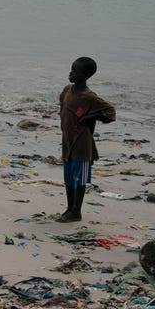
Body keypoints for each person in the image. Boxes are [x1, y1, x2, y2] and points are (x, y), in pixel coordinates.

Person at [57, 57, 115, 223]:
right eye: (71, 69)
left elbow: (110, 113)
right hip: (67, 141)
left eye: (76, 72)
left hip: (82, 144)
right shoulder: (68, 90)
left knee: (79, 179)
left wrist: (89, 117)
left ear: (87, 75)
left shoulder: (89, 97)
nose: (71, 73)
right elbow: (63, 105)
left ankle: (76, 211)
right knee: (68, 177)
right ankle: (69, 208)